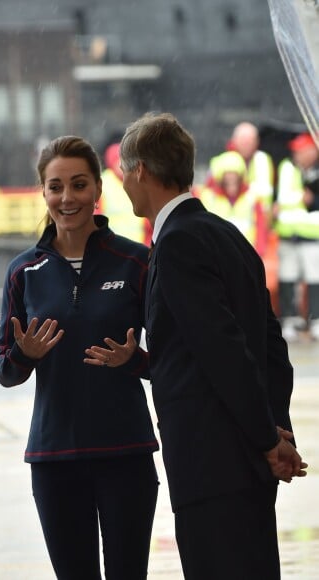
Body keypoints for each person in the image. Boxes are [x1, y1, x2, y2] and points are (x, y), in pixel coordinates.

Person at [119, 112, 307, 580]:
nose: (122, 181)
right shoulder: (226, 234)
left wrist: (267, 440)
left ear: (141, 169)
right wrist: (274, 430)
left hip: (212, 465)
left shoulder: (177, 243)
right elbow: (270, 347)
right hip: (247, 463)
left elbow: (221, 350)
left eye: (125, 170)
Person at [0, 135, 159, 579]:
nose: (68, 198)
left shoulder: (137, 262)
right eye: (56, 186)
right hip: (55, 459)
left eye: (79, 184)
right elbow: (3, 369)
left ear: (98, 189)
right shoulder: (23, 272)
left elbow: (174, 360)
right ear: (43, 192)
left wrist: (134, 360)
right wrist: (24, 356)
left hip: (126, 453)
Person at [274, 132, 319, 341]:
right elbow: (282, 198)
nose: (297, 154)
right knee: (287, 279)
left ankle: (315, 319)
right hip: (289, 234)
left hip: (312, 234)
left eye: (301, 150)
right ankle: (289, 319)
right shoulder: (288, 168)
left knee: (315, 279)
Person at [198, 150, 268, 257]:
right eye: (227, 175)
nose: (231, 178)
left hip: (245, 255)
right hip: (214, 256)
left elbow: (261, 226)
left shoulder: (252, 197)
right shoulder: (207, 196)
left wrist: (259, 253)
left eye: (235, 175)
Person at [208, 121, 275, 215]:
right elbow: (211, 192)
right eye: (243, 140)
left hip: (260, 217)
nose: (247, 144)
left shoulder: (263, 160)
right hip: (230, 215)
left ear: (257, 142)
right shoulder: (222, 162)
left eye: (251, 140)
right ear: (234, 140)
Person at [97, 142, 152, 244]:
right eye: (119, 161)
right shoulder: (103, 184)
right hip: (113, 247)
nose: (123, 166)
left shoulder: (139, 181)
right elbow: (95, 217)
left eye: (127, 162)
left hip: (139, 246)